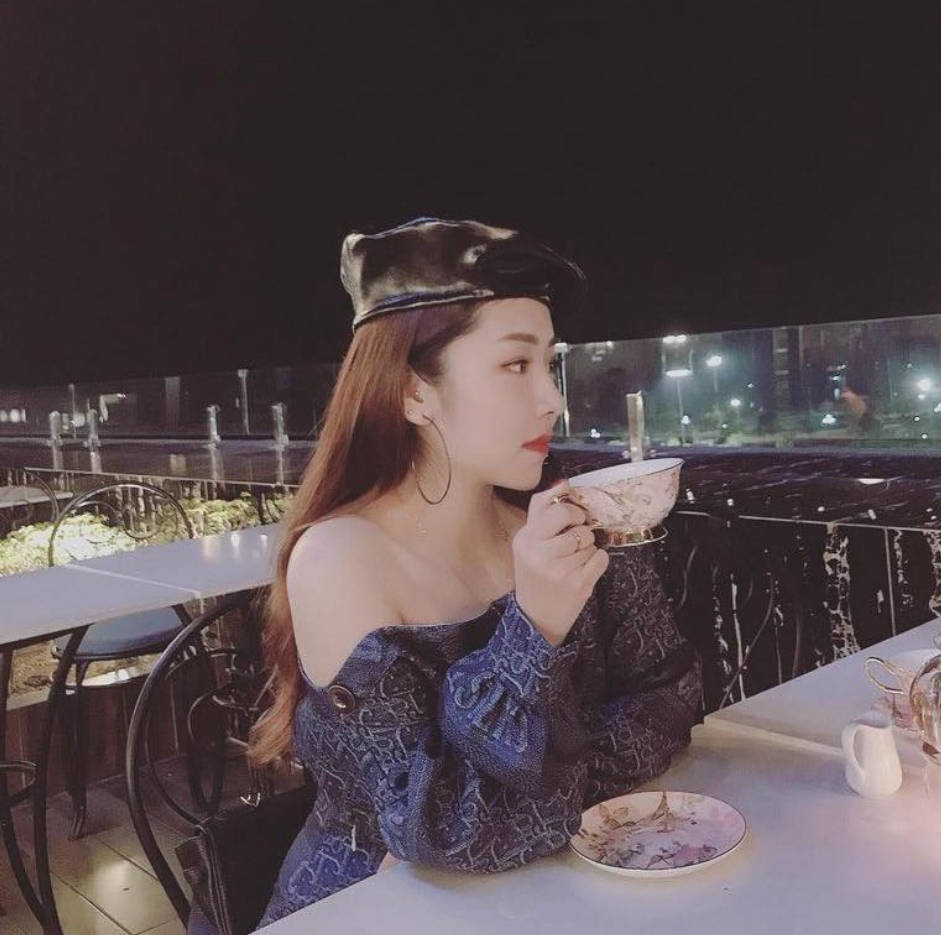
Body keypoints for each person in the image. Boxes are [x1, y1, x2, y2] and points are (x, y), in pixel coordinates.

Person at [245, 217, 702, 928]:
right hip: (378, 912)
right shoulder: (341, 559)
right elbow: (448, 830)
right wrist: (535, 629)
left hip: (558, 892)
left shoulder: (561, 522)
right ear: (412, 392)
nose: (552, 398)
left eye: (549, 363)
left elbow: (669, 700)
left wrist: (540, 792)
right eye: (515, 364)